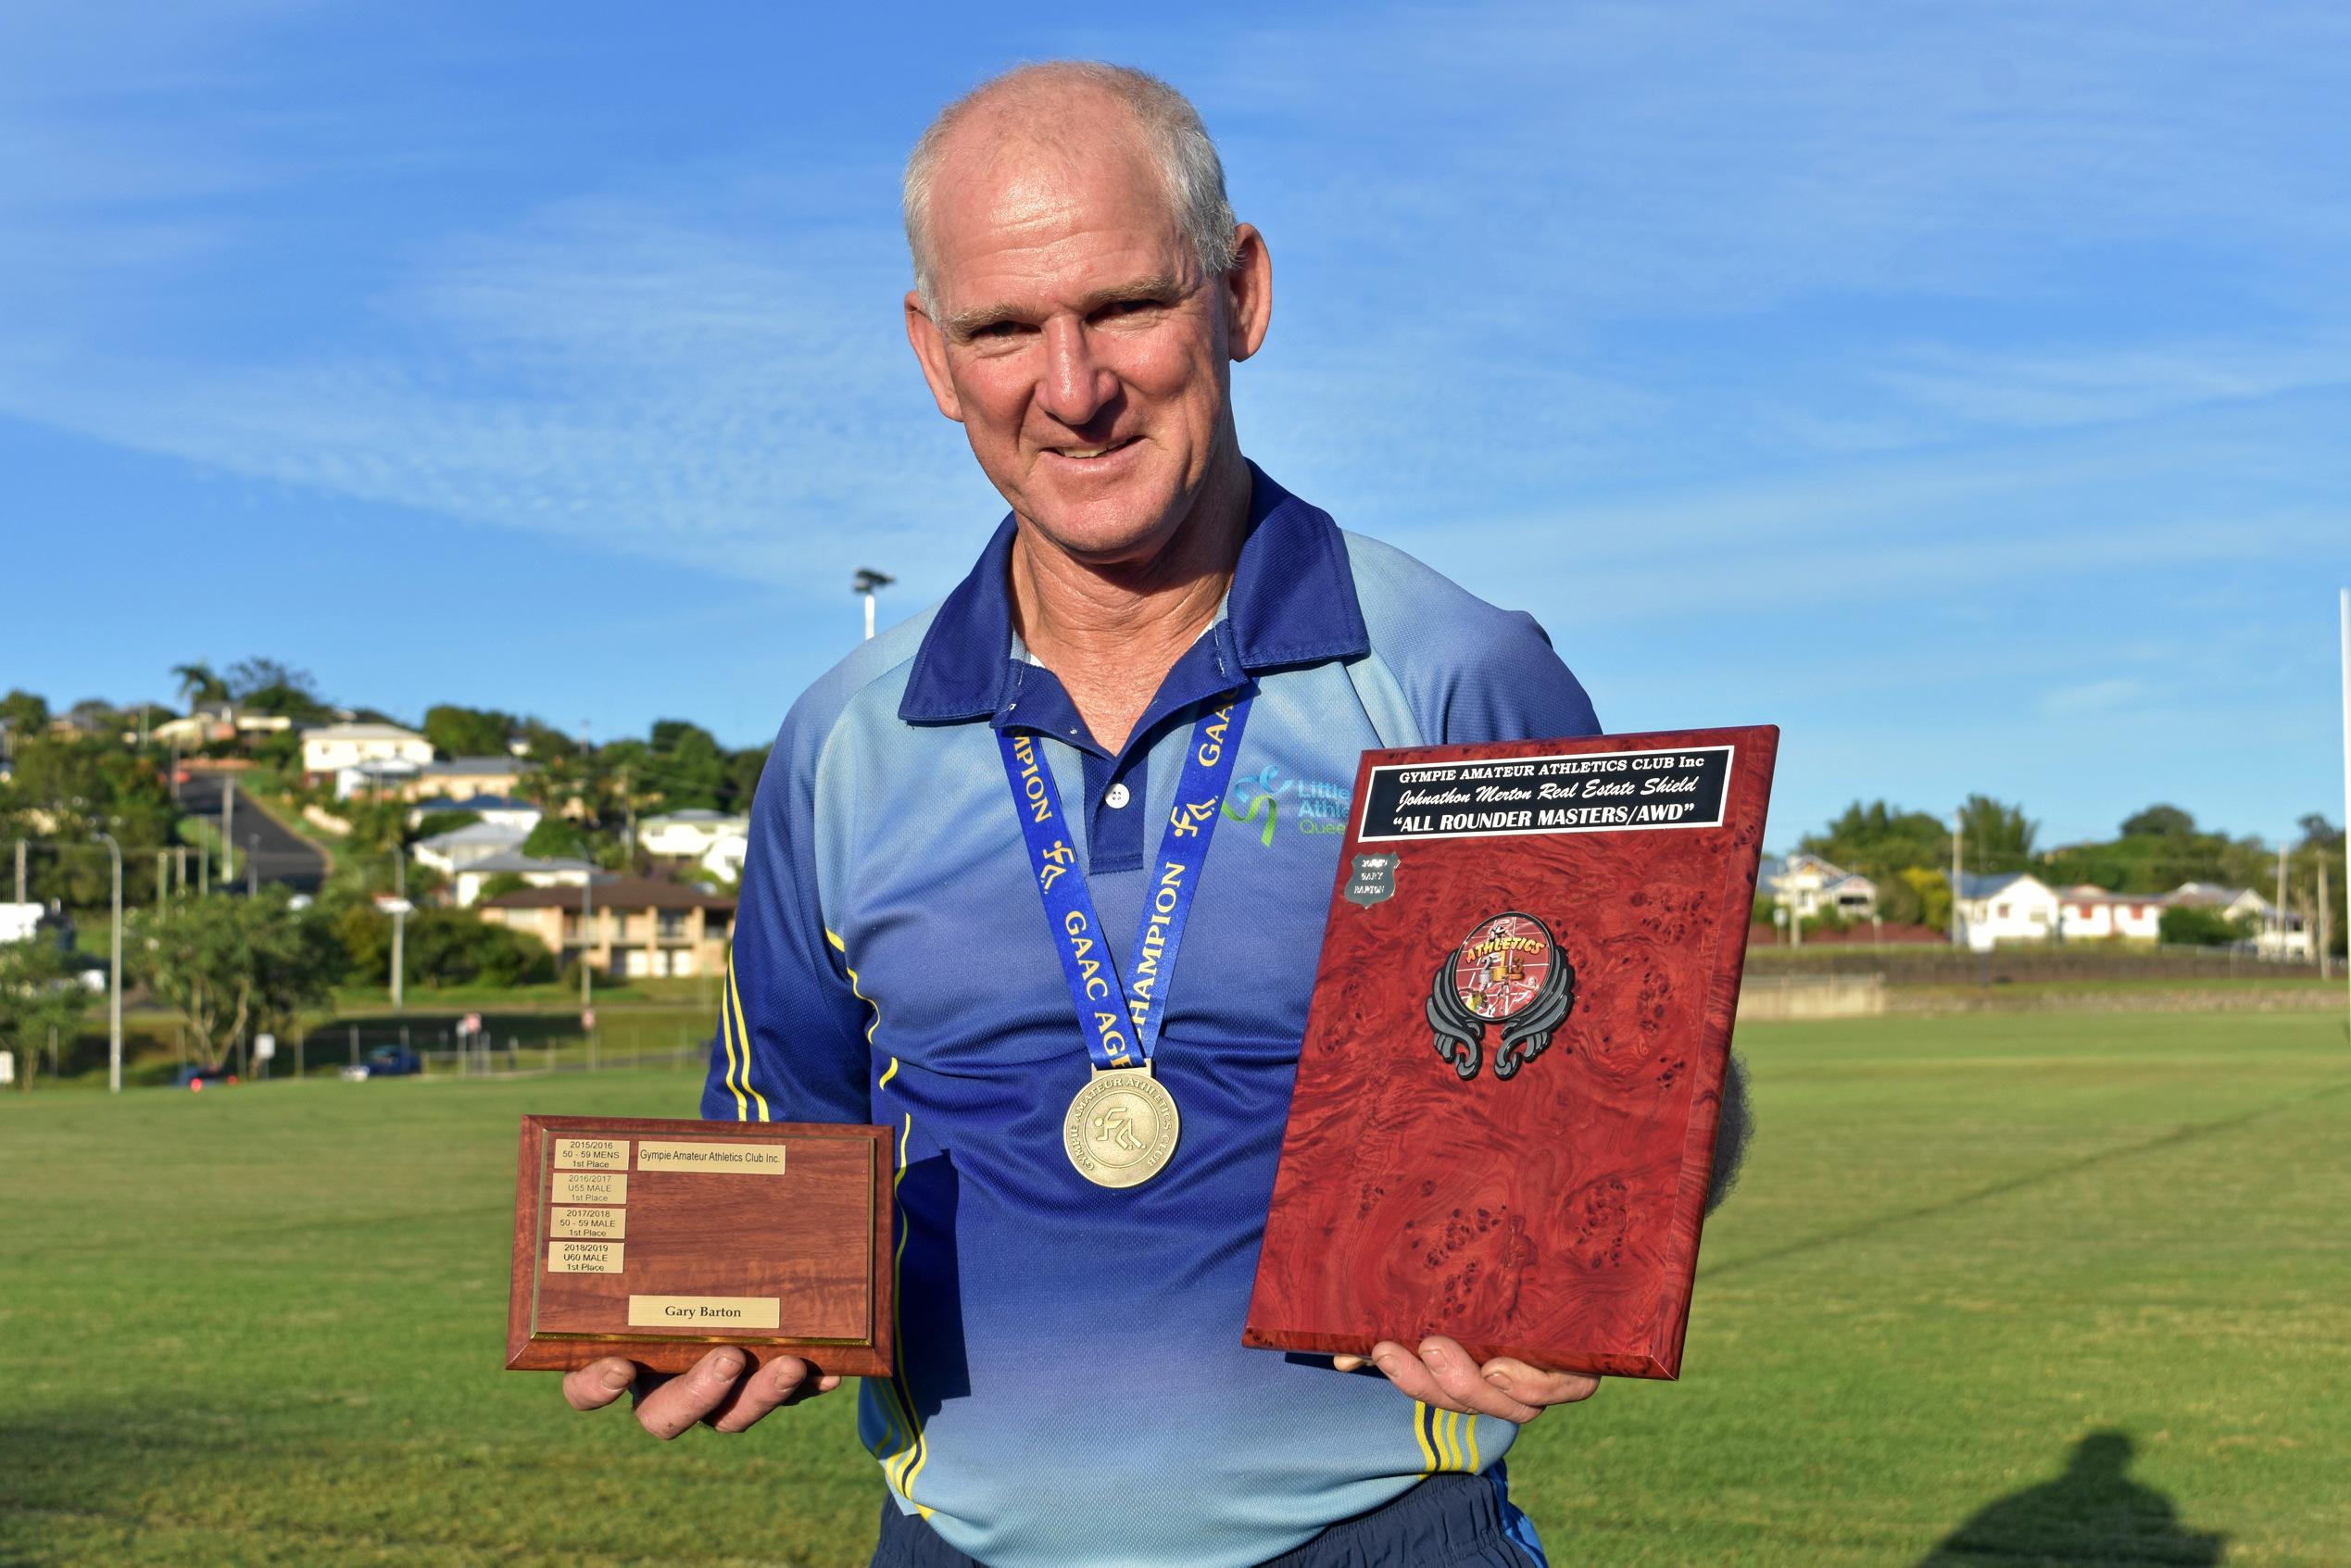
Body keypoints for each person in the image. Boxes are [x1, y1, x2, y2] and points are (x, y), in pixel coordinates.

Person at [564, 60, 1744, 1568]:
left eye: (1123, 304)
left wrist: (1600, 1230)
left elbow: (1648, 1098)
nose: (1070, 385)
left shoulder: (1455, 671)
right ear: (934, 356)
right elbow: (779, 1150)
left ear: (1238, 292)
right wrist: (692, 1319)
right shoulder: (839, 746)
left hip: (1384, 1538)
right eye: (1001, 328)